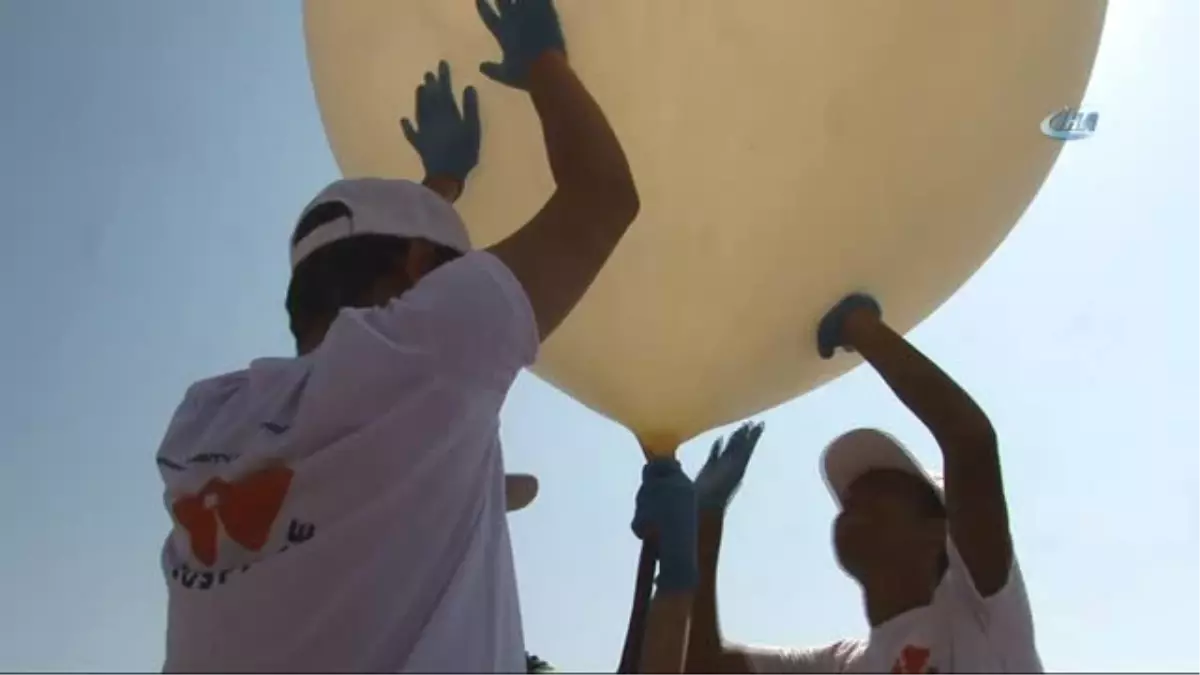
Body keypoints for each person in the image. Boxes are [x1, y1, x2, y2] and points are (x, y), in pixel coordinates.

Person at [153, 0, 640, 669]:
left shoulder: (203, 421)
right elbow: (604, 196)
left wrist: (436, 191)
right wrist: (543, 60)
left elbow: (362, 374)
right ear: (417, 267)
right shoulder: (426, 358)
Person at [684, 293, 1041, 673]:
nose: (854, 497)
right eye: (851, 497)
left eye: (882, 487)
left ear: (938, 532)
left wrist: (861, 328)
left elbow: (970, 441)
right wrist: (703, 523)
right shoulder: (846, 664)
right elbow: (704, 665)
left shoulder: (982, 617)